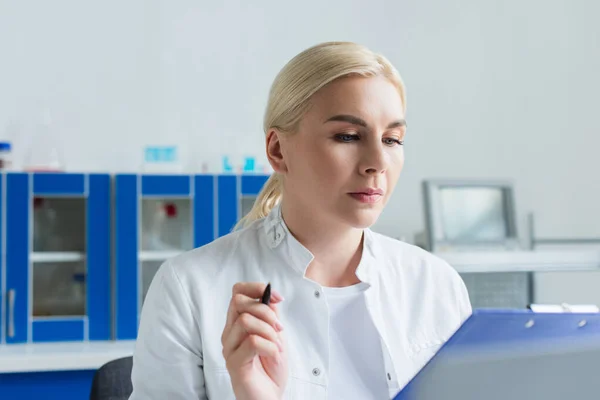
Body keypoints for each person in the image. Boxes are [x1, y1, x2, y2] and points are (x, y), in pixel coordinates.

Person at [129, 41, 472, 400]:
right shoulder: (189, 288)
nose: (377, 162)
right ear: (278, 150)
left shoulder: (435, 285)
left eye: (391, 139)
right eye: (348, 136)